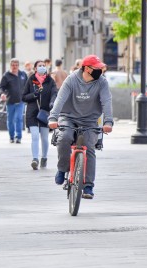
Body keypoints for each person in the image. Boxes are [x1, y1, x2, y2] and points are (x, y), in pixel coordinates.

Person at [48, 54, 113, 199]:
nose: (100, 71)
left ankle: (88, 185)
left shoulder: (102, 82)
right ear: (87, 69)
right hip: (68, 117)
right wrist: (53, 118)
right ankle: (62, 169)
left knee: (89, 146)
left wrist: (108, 122)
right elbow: (60, 99)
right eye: (97, 68)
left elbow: (106, 101)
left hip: (90, 120)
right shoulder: (71, 80)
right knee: (64, 137)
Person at [22, 60, 57, 170]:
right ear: (35, 68)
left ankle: (44, 158)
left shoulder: (49, 80)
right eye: (39, 66)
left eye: (43, 65)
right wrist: (34, 95)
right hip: (32, 112)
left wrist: (52, 102)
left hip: (45, 112)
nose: (42, 67)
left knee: (45, 138)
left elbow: (54, 93)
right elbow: (23, 97)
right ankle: (35, 159)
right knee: (35, 136)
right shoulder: (31, 80)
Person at [0, 58, 28, 143]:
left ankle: (18, 137)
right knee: (11, 120)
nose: (14, 67)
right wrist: (2, 94)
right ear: (10, 65)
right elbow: (1, 87)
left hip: (20, 101)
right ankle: (11, 136)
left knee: (19, 119)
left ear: (18, 66)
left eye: (16, 65)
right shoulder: (6, 75)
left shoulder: (23, 74)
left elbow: (27, 86)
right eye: (13, 65)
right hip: (10, 101)